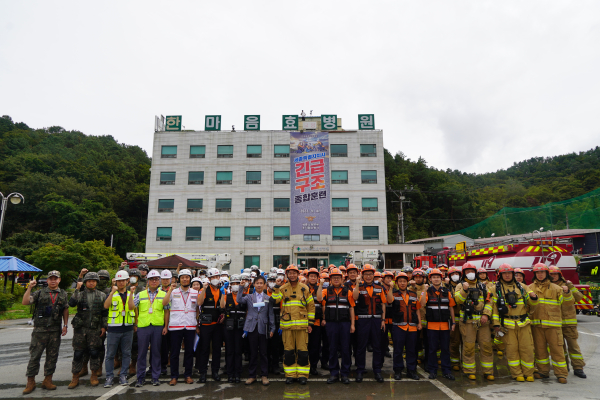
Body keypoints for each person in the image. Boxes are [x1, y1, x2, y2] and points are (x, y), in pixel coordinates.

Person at [22, 271, 69, 394]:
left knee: (52, 357)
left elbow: (65, 309)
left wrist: (65, 325)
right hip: (39, 331)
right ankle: (30, 382)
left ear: (59, 280)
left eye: (55, 278)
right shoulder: (39, 293)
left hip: (55, 330)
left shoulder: (63, 294)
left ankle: (48, 380)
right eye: (50, 278)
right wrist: (29, 288)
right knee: (34, 356)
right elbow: (25, 302)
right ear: (47, 280)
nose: (53, 280)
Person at [491, 263, 538, 382]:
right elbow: (494, 308)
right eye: (504, 273)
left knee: (527, 349)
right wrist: (496, 324)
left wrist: (533, 298)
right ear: (500, 275)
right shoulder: (495, 289)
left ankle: (529, 373)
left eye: (509, 273)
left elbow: (532, 306)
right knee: (512, 351)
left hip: (523, 323)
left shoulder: (522, 287)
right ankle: (517, 373)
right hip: (507, 325)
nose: (507, 275)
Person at [270, 265, 315, 385]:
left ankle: (302, 375)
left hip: (302, 327)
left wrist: (310, 323)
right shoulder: (283, 288)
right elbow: (275, 300)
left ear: (297, 274)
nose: (292, 275)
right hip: (287, 327)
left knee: (302, 351)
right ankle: (290, 375)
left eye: (294, 273)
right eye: (290, 273)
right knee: (288, 351)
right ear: (287, 275)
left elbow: (311, 307)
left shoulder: (305, 288)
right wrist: (276, 286)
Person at [528, 263, 568, 383]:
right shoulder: (529, 288)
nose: (540, 274)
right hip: (537, 325)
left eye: (542, 272)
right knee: (540, 350)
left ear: (547, 274)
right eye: (537, 272)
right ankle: (543, 372)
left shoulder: (557, 288)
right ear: (534, 274)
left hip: (553, 326)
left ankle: (561, 374)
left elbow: (567, 304)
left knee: (557, 350)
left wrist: (567, 293)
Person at [454, 262, 494, 381]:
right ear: (464, 273)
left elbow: (489, 301)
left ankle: (488, 371)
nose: (470, 273)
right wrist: (465, 290)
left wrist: (486, 315)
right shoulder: (460, 286)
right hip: (468, 322)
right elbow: (458, 300)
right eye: (467, 271)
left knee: (486, 346)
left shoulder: (482, 286)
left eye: (472, 271)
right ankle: (469, 371)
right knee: (468, 346)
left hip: (483, 322)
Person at [68, 271, 108, 389]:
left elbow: (104, 312)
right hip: (81, 328)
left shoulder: (101, 295)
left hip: (95, 328)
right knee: (78, 353)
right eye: (89, 281)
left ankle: (94, 375)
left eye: (94, 281)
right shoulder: (79, 294)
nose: (91, 283)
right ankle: (75, 377)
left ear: (97, 282)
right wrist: (76, 289)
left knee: (94, 352)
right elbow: (71, 304)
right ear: (85, 282)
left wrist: (103, 326)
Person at [130, 270, 168, 387]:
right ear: (148, 281)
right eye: (152, 279)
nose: (154, 281)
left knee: (156, 353)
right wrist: (131, 294)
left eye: (156, 279)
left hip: (157, 326)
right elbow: (131, 307)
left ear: (159, 281)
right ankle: (140, 378)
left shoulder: (163, 294)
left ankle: (155, 377)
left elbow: (167, 311)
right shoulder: (140, 294)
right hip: (143, 327)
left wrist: (165, 326)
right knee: (141, 353)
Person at [316, 267, 355, 384]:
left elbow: (352, 308)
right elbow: (318, 298)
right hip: (331, 324)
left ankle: (344, 374)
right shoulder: (326, 291)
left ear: (342, 279)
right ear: (330, 280)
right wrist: (320, 285)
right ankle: (333, 374)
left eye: (338, 278)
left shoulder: (347, 292)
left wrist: (352, 324)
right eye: (334, 278)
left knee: (345, 349)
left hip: (345, 324)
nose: (336, 280)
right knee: (332, 349)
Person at [549, 265, 586, 378]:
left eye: (555, 274)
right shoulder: (549, 287)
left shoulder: (567, 285)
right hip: (555, 323)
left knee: (573, 346)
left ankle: (578, 368)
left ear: (560, 275)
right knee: (560, 348)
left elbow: (579, 298)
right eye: (551, 274)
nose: (553, 276)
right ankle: (564, 366)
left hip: (568, 323)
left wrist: (570, 287)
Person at [162, 268, 198, 385]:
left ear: (190, 279)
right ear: (179, 280)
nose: (185, 279)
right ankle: (174, 376)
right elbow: (165, 303)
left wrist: (196, 323)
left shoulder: (195, 292)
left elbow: (198, 309)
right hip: (176, 326)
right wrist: (169, 291)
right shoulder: (173, 292)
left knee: (189, 352)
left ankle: (188, 375)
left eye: (187, 277)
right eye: (182, 277)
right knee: (174, 353)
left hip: (190, 325)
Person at [352, 264, 387, 383]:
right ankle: (360, 370)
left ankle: (377, 371)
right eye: (366, 274)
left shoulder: (379, 287)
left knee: (377, 346)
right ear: (362, 275)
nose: (368, 276)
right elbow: (354, 297)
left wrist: (383, 320)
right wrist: (357, 284)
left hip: (377, 320)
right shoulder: (359, 287)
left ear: (373, 275)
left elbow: (383, 304)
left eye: (370, 274)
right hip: (363, 320)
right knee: (361, 346)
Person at [238, 275, 275, 386]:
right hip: (251, 327)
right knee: (253, 353)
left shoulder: (268, 298)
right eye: (257, 283)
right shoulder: (249, 297)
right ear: (254, 285)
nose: (259, 285)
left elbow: (270, 314)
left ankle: (264, 375)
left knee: (263, 353)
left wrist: (272, 328)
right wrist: (241, 288)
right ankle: (252, 375)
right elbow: (239, 299)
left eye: (261, 283)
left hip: (263, 327)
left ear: (264, 285)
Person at [420, 268, 456, 380]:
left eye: (438, 277)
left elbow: (451, 308)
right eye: (434, 277)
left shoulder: (447, 292)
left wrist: (453, 322)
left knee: (445, 348)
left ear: (441, 279)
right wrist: (424, 291)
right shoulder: (427, 291)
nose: (436, 279)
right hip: (432, 326)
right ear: (430, 279)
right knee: (432, 349)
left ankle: (446, 370)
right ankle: (433, 370)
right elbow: (421, 304)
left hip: (445, 325)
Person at [103, 270, 135, 388]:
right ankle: (109, 377)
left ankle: (123, 375)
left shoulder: (131, 293)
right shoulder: (112, 293)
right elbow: (106, 306)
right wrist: (112, 292)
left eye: (123, 280)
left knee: (126, 353)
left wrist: (131, 294)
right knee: (110, 354)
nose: (121, 283)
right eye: (119, 281)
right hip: (113, 329)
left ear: (127, 281)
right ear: (115, 281)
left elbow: (131, 307)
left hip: (128, 328)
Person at [389, 272, 421, 381]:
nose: (402, 283)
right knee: (398, 350)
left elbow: (417, 309)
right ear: (397, 283)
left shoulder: (413, 294)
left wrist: (419, 323)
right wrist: (390, 288)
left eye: (404, 281)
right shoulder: (394, 294)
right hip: (399, 327)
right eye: (400, 281)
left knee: (411, 350)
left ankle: (411, 370)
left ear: (407, 282)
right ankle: (398, 370)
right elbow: (388, 301)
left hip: (412, 327)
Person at [196, 268, 225, 382]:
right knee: (204, 348)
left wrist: (223, 293)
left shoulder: (222, 290)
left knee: (217, 348)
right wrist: (204, 289)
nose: (215, 279)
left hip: (217, 324)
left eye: (217, 277)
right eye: (213, 277)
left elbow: (222, 306)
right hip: (206, 324)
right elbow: (199, 303)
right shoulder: (204, 289)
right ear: (208, 279)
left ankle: (215, 372)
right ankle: (203, 373)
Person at [221, 274, 246, 383]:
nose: (235, 285)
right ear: (230, 285)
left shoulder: (244, 296)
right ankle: (230, 373)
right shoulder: (227, 295)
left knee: (238, 351)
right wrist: (223, 294)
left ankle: (238, 373)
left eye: (237, 283)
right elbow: (222, 306)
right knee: (229, 351)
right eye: (233, 284)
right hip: (229, 326)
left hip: (240, 327)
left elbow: (248, 311)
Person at [306, 268, 324, 375]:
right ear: (308, 278)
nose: (313, 278)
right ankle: (305, 365)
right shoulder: (303, 288)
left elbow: (321, 301)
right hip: (304, 322)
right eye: (311, 276)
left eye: (315, 276)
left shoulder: (319, 288)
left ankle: (313, 366)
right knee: (304, 346)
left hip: (317, 322)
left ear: (318, 278)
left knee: (315, 346)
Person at [410, 268, 429, 365]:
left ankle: (428, 359)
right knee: (417, 340)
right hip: (416, 319)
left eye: (420, 277)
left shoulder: (428, 288)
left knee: (428, 341)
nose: (418, 279)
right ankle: (418, 357)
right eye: (416, 277)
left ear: (424, 278)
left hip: (427, 319)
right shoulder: (410, 289)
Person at [446, 266, 462, 371]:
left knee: (466, 342)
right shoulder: (446, 288)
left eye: (457, 274)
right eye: (452, 274)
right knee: (454, 341)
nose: (455, 276)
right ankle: (454, 362)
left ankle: (465, 362)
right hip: (453, 317)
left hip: (465, 318)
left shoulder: (464, 286)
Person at [266, 273, 283, 374]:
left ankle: (275, 366)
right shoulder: (264, 293)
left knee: (276, 346)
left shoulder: (279, 293)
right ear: (267, 282)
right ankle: (267, 366)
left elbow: (282, 308)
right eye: (270, 281)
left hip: (277, 322)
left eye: (274, 281)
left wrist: (281, 324)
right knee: (266, 346)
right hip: (266, 322)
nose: (272, 283)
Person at [160, 269, 173, 375]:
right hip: (160, 320)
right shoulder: (158, 290)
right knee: (162, 344)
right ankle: (162, 364)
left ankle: (170, 360)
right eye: (163, 279)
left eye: (167, 279)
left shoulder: (175, 290)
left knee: (172, 343)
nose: (165, 281)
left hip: (173, 320)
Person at [381, 271, 395, 359]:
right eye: (387, 278)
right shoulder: (380, 289)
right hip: (384, 316)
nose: (389, 280)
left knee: (394, 336)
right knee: (383, 336)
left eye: (390, 278)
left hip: (393, 316)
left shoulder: (395, 289)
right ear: (383, 279)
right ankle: (384, 350)